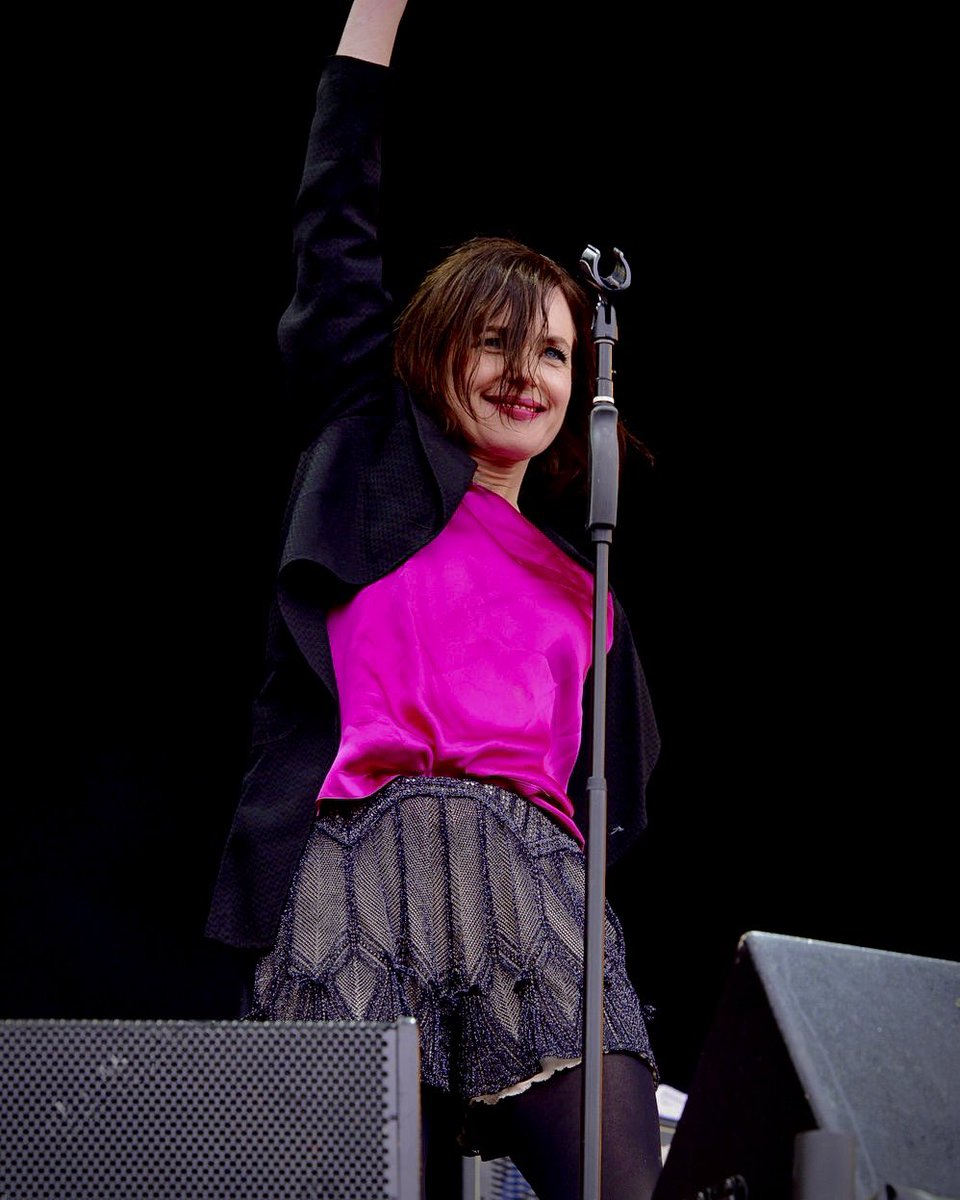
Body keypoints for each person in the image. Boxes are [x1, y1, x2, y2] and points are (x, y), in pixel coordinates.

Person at [205, 1, 663, 1196]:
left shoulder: (586, 581)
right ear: (434, 352)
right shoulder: (370, 455)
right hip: (358, 871)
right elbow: (335, 228)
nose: (527, 373)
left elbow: (610, 795)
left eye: (557, 352)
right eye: (498, 341)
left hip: (535, 899)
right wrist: (372, 21)